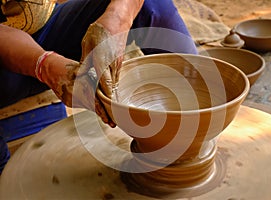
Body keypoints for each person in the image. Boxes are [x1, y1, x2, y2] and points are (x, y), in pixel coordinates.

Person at [0, 0, 198, 174]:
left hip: (43, 28)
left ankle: (197, 119)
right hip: (6, 59)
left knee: (152, 5)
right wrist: (45, 65)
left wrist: (117, 19)